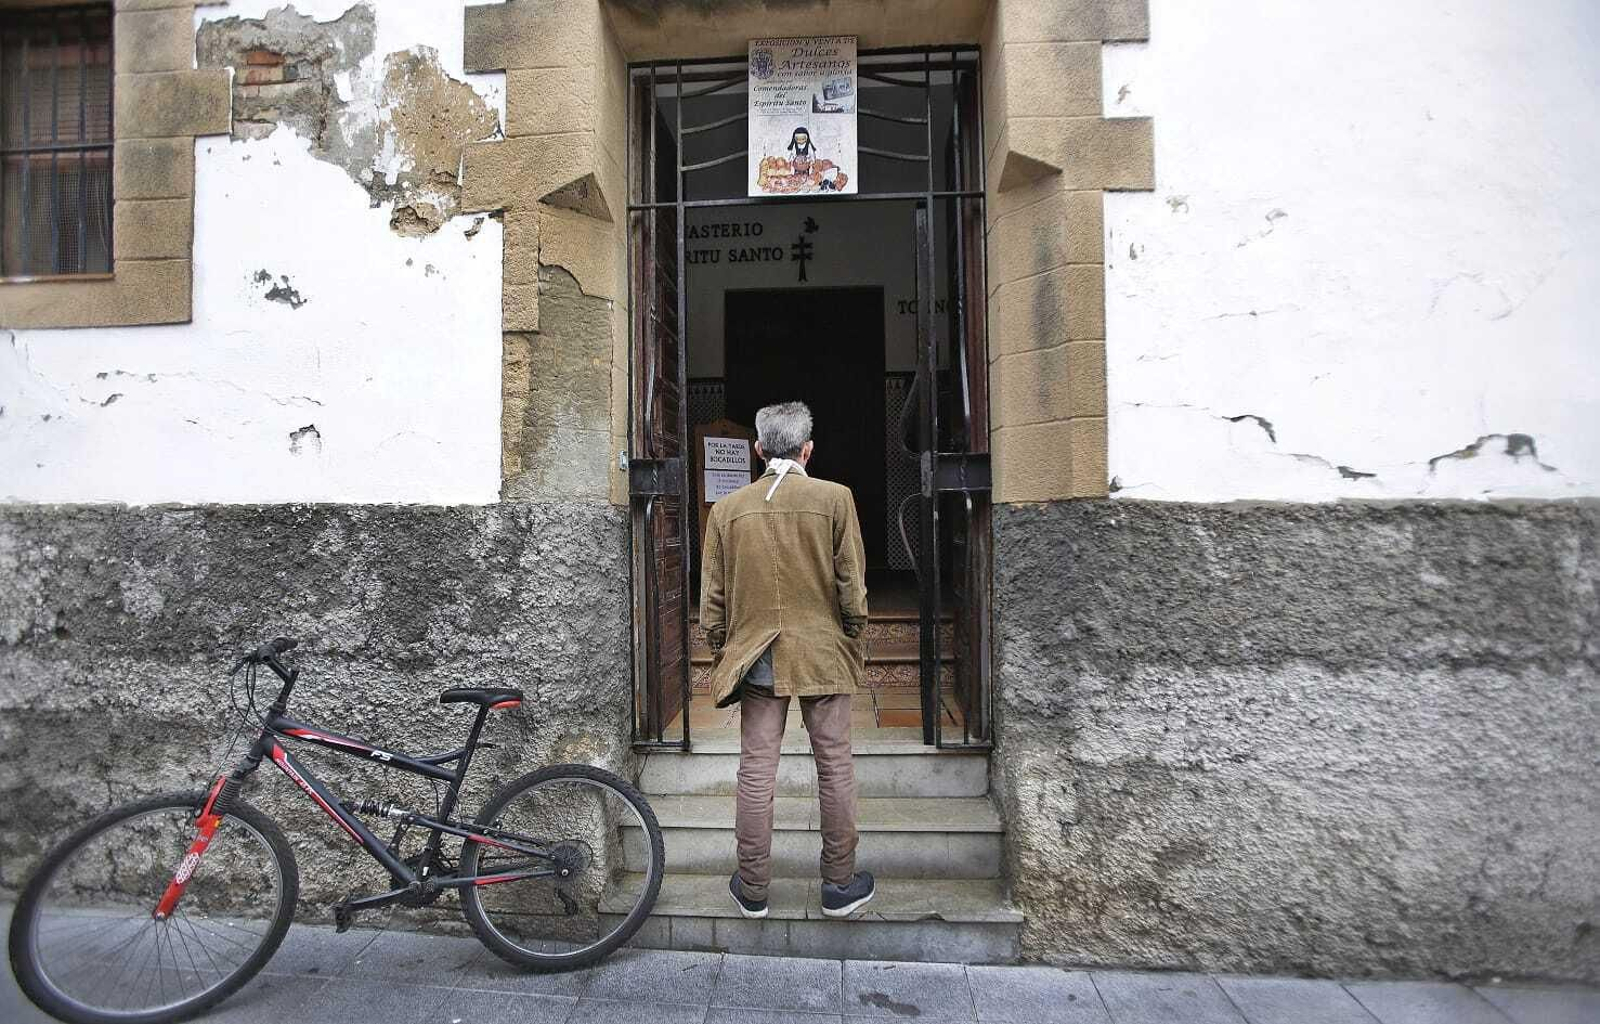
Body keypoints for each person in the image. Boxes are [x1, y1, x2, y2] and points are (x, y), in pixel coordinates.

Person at [699, 400, 875, 920]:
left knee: (756, 770)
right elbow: (853, 585)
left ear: (758, 450)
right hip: (823, 650)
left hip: (756, 654)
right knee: (835, 766)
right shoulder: (836, 498)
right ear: (807, 450)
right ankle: (839, 885)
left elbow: (712, 600)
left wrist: (721, 649)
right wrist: (851, 637)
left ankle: (753, 887)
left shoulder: (727, 511)